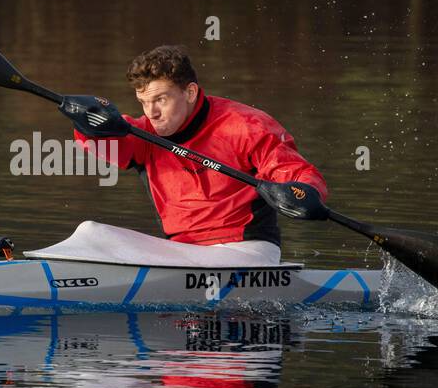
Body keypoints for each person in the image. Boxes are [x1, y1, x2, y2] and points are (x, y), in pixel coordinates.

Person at [58, 45, 326, 264]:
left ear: (190, 92)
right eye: (144, 102)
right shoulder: (142, 135)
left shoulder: (246, 126)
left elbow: (300, 174)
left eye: (161, 100)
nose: (152, 113)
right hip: (181, 253)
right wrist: (87, 124)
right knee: (92, 232)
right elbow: (97, 143)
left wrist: (304, 192)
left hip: (246, 249)